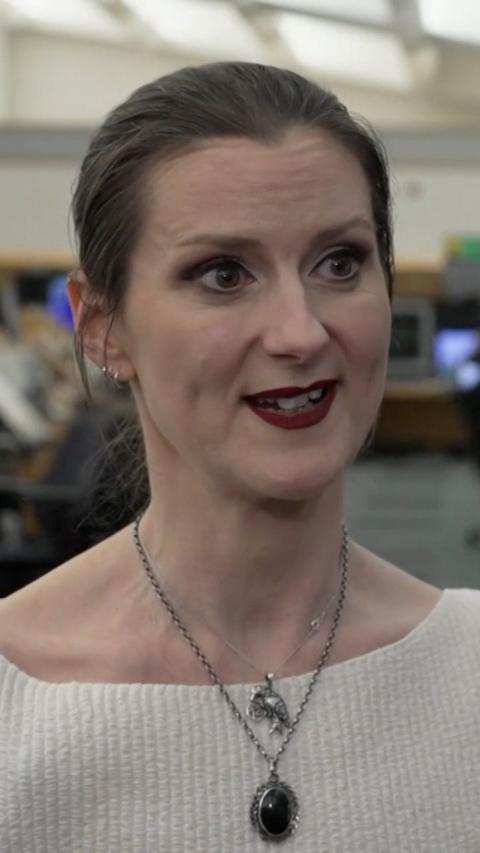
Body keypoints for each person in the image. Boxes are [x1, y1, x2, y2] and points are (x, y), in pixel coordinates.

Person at [0, 62, 479, 853]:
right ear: (103, 330)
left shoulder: (464, 672)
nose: (299, 332)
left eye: (340, 263)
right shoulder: (18, 703)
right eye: (223, 274)